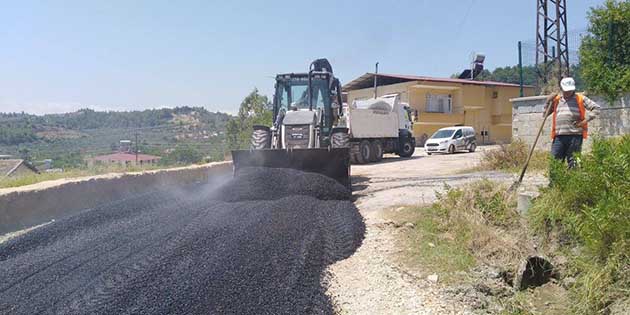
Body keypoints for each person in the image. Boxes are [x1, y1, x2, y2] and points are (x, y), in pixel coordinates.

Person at [544, 77, 601, 168]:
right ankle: (555, 182)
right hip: (559, 136)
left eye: (570, 90)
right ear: (561, 88)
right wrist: (547, 102)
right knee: (555, 161)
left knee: (574, 161)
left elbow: (596, 108)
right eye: (566, 90)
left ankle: (574, 181)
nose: (568, 92)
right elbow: (545, 115)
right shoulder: (556, 100)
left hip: (575, 136)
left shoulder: (580, 98)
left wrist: (584, 121)